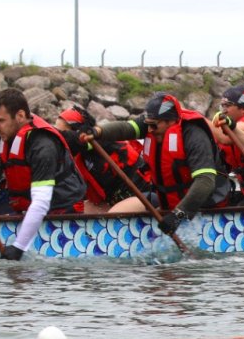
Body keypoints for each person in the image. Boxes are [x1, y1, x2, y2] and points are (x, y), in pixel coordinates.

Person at [0, 89, 85, 260]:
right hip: (27, 207)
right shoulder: (9, 131)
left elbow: (41, 202)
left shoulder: (43, 146)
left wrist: (19, 247)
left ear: (20, 116)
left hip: (62, 212)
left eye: (0, 121)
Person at [91, 92, 231, 235]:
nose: (149, 129)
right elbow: (125, 128)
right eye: (148, 125)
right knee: (131, 208)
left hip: (205, 205)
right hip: (171, 203)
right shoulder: (153, 124)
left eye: (153, 125)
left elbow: (205, 182)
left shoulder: (194, 135)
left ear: (170, 121)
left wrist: (178, 215)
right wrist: (97, 132)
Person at [54, 105, 147, 212]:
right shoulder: (80, 156)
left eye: (62, 132)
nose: (57, 137)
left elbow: (73, 140)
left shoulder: (98, 141)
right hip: (114, 200)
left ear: (79, 132)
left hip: (142, 196)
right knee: (77, 213)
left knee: (110, 217)